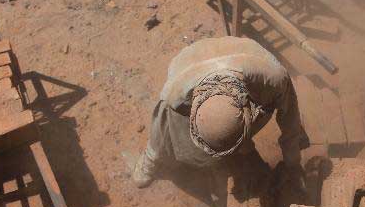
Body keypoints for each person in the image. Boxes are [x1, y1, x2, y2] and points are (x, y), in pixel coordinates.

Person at [132, 37, 308, 192]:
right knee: (176, 134)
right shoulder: (175, 95)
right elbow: (159, 130)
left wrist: (293, 163)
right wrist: (153, 156)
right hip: (191, 60)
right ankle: (149, 162)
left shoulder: (274, 80)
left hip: (246, 55)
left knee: (232, 124)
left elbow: (290, 121)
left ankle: (240, 143)